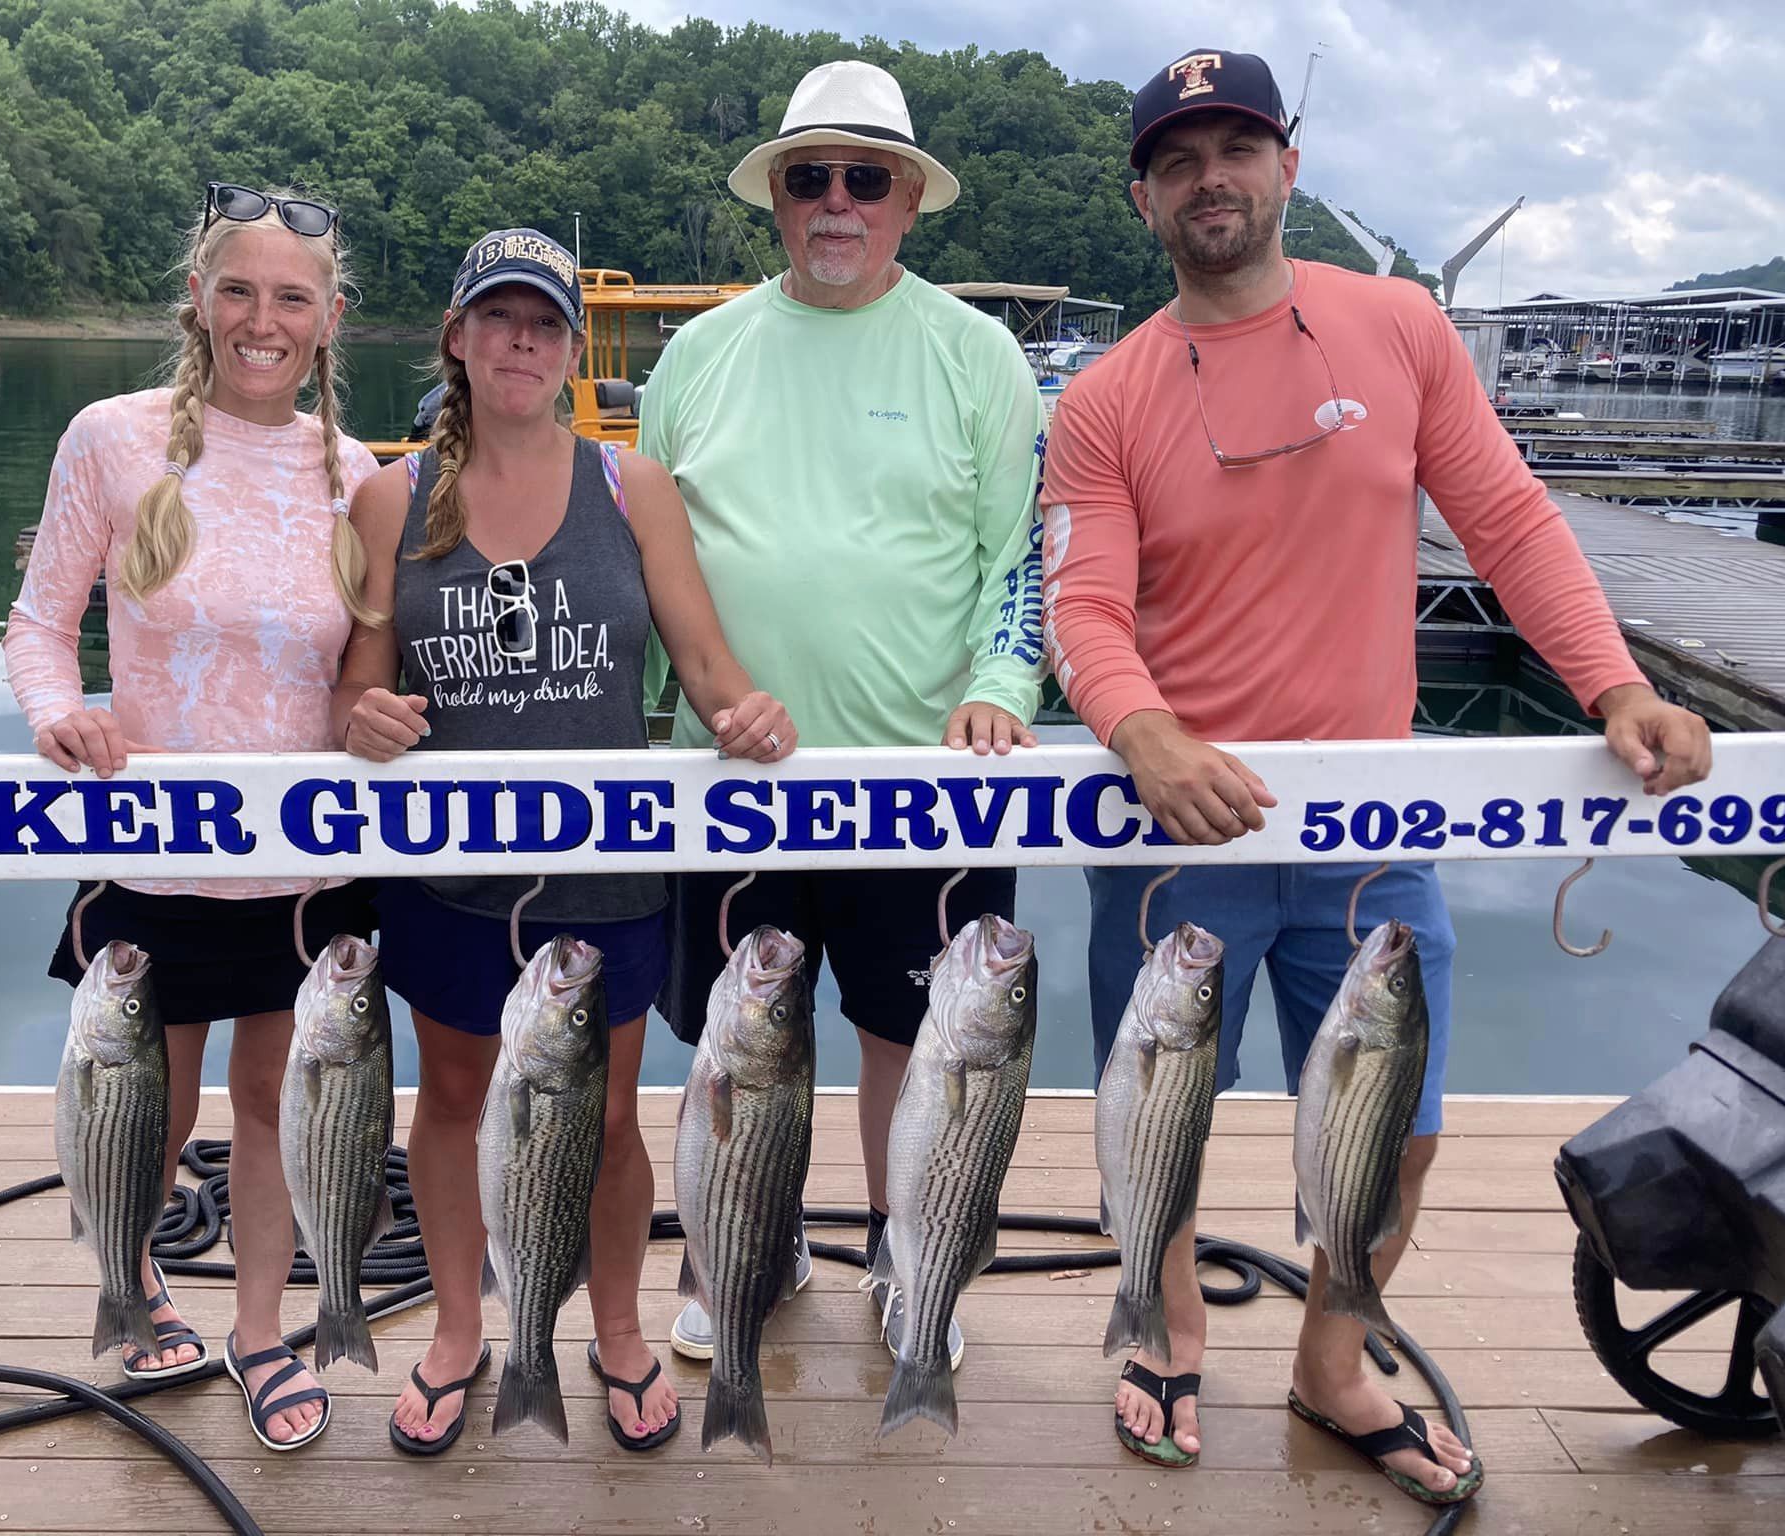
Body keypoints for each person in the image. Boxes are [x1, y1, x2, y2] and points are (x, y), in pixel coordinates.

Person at [1040, 48, 1713, 1508]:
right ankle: (1164, 1322)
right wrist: (1140, 730)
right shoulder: (1102, 397)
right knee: (1154, 1113)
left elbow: (1509, 522)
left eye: (1236, 149)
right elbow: (1082, 602)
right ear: (1144, 198)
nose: (1209, 180)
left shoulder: (1400, 327)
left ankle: (1334, 1359)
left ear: (1286, 167)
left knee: (1401, 1130)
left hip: (1370, 828)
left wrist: (1612, 683)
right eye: (1176, 161)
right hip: (1178, 829)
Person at [331, 229, 797, 1457]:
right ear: (457, 338)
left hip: (606, 867)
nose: (521, 343)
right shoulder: (389, 497)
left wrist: (746, 714)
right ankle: (456, 1332)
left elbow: (702, 661)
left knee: (607, 1116)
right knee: (451, 1098)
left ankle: (620, 1329)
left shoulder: (630, 487)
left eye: (544, 323)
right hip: (450, 869)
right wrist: (359, 714)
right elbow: (357, 681)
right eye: (498, 319)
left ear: (571, 348)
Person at [638, 59, 1049, 1370]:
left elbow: (1020, 559)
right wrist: (653, 725)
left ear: (909, 199)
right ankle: (740, 1247)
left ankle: (904, 1252)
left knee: (915, 1038)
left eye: (865, 178)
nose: (835, 201)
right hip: (728, 778)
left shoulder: (977, 354)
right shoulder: (695, 355)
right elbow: (652, 561)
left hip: (925, 778)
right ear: (775, 194)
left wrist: (1000, 689)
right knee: (732, 1037)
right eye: (809, 176)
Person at [4, 182, 383, 1452]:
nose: (262, 321)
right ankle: (134, 1281)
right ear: (197, 298)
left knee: (276, 1103)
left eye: (291, 299)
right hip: (150, 842)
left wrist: (377, 717)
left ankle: (261, 1331)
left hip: (303, 856)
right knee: (148, 1103)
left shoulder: (356, 472)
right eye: (239, 291)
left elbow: (359, 671)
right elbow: (40, 626)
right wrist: (60, 715)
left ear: (330, 318)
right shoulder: (110, 439)